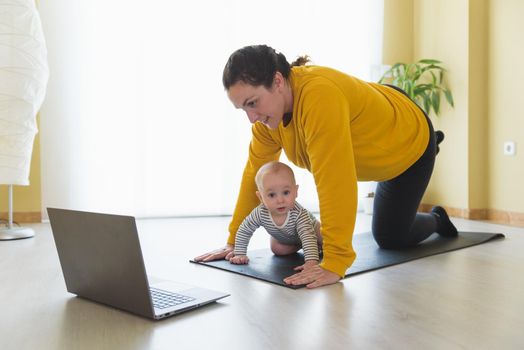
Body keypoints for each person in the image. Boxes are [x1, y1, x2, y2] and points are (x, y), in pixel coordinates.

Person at [194, 44, 458, 289]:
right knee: (387, 232)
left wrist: (335, 261)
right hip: (381, 123)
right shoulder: (267, 120)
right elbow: (255, 173)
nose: (251, 118)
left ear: (277, 81)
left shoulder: (319, 97)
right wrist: (233, 241)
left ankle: (437, 219)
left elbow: (334, 180)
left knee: (391, 238)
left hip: (410, 142)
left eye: (253, 103)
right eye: (243, 109)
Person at [229, 161, 322, 267]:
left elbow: (307, 236)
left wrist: (311, 262)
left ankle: (315, 246)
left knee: (325, 239)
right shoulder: (260, 213)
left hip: (311, 230)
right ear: (261, 197)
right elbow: (245, 230)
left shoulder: (299, 214)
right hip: (286, 238)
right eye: (272, 195)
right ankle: (304, 246)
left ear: (296, 191)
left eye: (286, 192)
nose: (280, 200)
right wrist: (240, 254)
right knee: (277, 249)